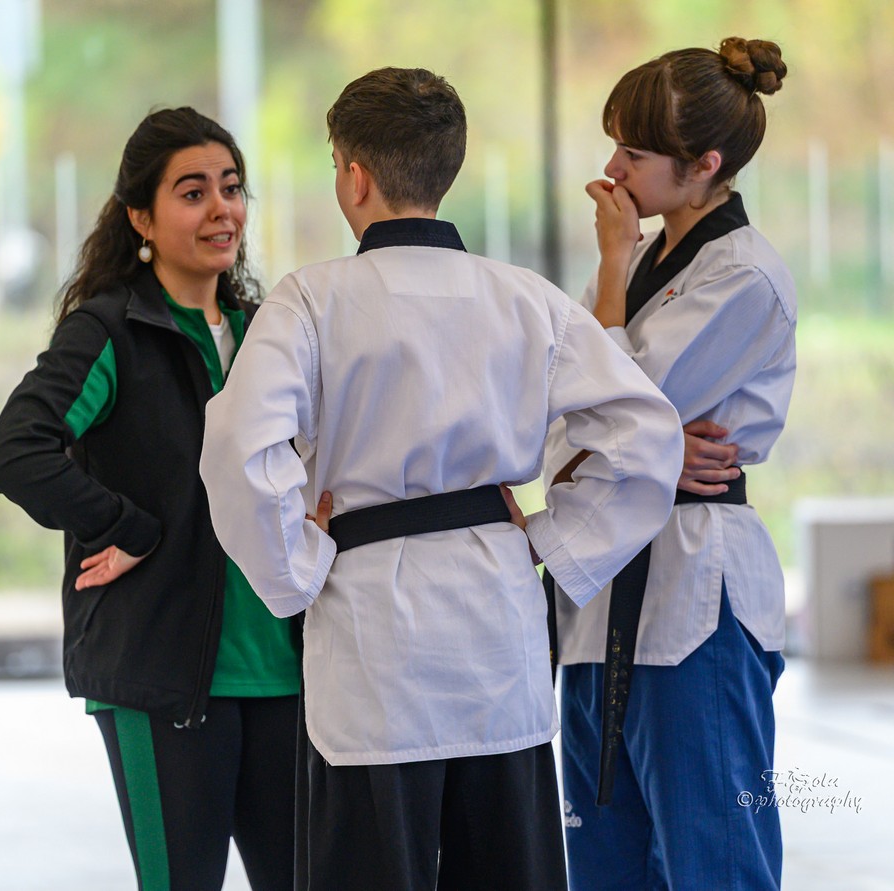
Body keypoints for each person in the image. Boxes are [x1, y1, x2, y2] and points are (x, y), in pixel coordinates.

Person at [199, 67, 685, 890]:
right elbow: (645, 436)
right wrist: (551, 540)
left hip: (370, 637)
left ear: (354, 177)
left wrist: (296, 563)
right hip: (497, 622)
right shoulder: (525, 298)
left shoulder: (310, 301)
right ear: (446, 169)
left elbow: (240, 451)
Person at [0, 107, 300, 891]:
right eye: (192, 193)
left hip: (285, 676)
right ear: (141, 218)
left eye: (231, 187)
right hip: (164, 676)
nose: (221, 208)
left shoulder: (268, 335)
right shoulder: (110, 332)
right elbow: (19, 449)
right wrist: (126, 525)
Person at [544, 38, 796, 890]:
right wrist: (640, 439)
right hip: (600, 591)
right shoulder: (634, 269)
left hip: (696, 604)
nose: (612, 170)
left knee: (714, 862)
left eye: (635, 153)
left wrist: (628, 437)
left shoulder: (745, 275)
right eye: (614, 144)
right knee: (604, 867)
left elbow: (609, 412)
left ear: (705, 166)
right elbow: (561, 428)